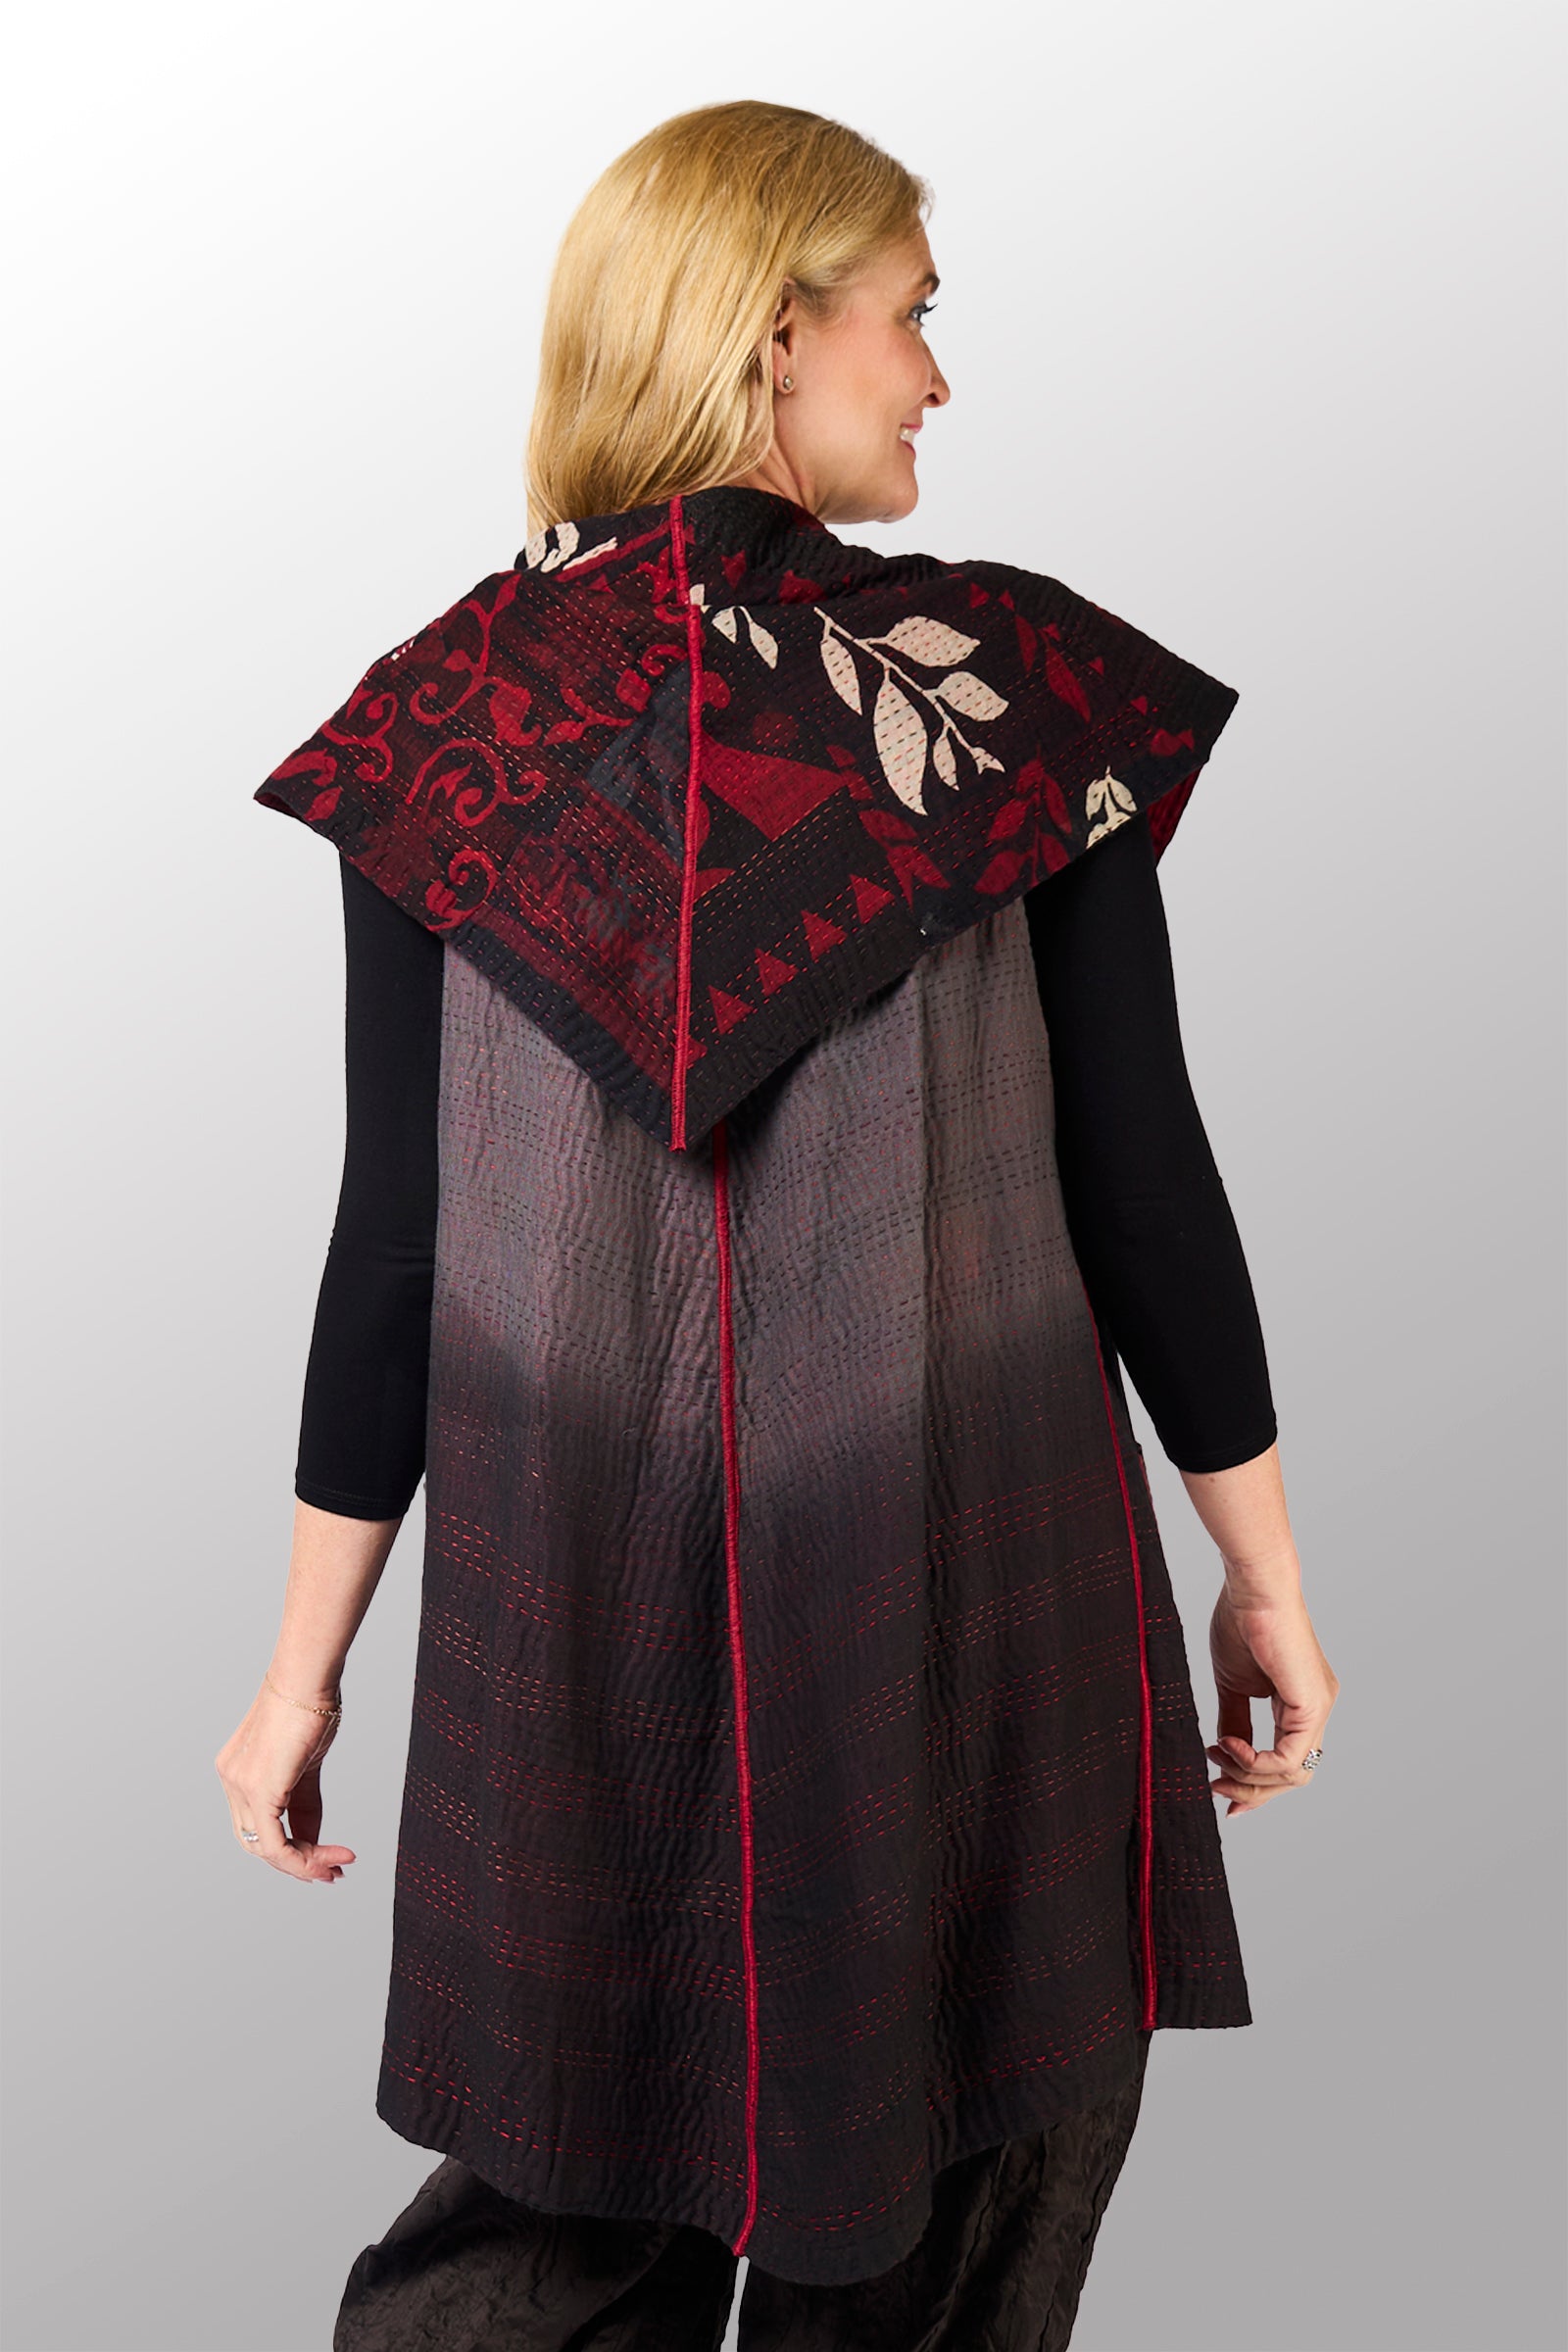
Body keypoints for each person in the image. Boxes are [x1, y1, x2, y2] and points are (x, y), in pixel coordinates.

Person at [217, 99, 1339, 2351]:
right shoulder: (1011, 700)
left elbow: (394, 1249)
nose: (935, 375)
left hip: (575, 1637)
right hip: (972, 1597)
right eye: (908, 315)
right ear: (770, 334)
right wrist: (1266, 1579)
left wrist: (299, 1671)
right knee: (964, 2185)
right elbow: (1139, 1177)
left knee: (543, 2222)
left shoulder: (446, 724)